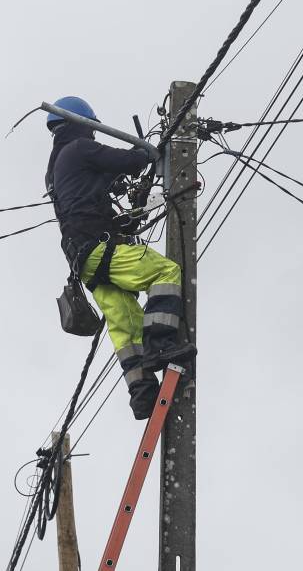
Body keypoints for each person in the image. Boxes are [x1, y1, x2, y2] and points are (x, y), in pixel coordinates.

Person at [44, 96, 195, 419]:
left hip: (84, 261)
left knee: (124, 324)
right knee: (164, 272)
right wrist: (147, 152)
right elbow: (131, 161)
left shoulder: (58, 168)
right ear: (82, 124)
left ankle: (141, 392)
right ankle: (161, 346)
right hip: (98, 248)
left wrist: (130, 211)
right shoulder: (79, 149)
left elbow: (92, 200)